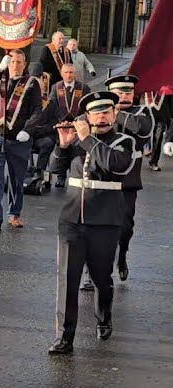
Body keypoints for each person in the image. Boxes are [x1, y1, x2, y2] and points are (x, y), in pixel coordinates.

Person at [45, 91, 135, 354]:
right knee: (67, 279)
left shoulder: (123, 141)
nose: (102, 116)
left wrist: (86, 139)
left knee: (101, 278)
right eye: (96, 112)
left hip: (105, 221)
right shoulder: (76, 139)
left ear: (114, 114)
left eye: (106, 111)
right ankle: (64, 337)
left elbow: (116, 165)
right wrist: (62, 146)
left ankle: (104, 315)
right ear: (88, 116)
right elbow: (53, 169)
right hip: (71, 219)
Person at [0, 48, 41, 231]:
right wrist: (0, 68)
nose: (15, 66)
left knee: (16, 178)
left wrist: (28, 130)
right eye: (12, 62)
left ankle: (14, 213)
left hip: (19, 138)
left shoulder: (31, 83)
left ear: (24, 65)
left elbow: (37, 110)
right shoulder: (0, 78)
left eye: (19, 62)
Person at [104, 75, 154, 282]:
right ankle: (95, 272)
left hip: (128, 181)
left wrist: (116, 113)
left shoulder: (142, 112)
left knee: (125, 227)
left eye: (128, 92)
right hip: (103, 178)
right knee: (99, 227)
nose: (124, 96)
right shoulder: (102, 114)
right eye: (119, 92)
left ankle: (122, 254)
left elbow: (141, 128)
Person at [25, 62, 86, 194]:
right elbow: (51, 106)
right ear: (62, 74)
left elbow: (86, 109)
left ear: (75, 74)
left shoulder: (84, 88)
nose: (69, 75)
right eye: (66, 72)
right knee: (61, 151)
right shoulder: (55, 87)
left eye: (71, 72)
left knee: (75, 152)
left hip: (76, 127)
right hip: (59, 127)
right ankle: (59, 176)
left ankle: (72, 176)